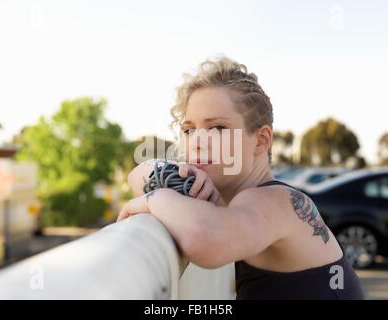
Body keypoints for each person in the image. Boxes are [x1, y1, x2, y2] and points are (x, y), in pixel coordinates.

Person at [117, 56, 364, 300]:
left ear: (261, 140)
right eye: (189, 130)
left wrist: (155, 198)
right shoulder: (229, 201)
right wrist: (169, 179)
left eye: (217, 128)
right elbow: (137, 175)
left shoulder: (276, 202)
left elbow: (205, 240)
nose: (197, 142)